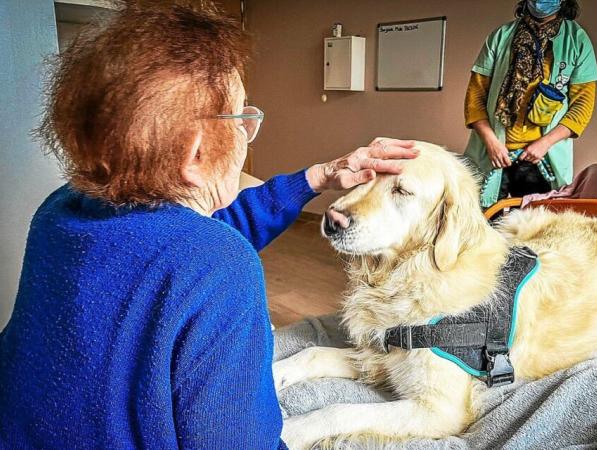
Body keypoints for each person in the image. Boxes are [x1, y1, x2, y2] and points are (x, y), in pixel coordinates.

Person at [0, 4, 417, 449]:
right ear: (196, 154)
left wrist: (317, 177)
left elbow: (188, 239)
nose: (247, 130)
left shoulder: (61, 209)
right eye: (242, 118)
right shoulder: (217, 266)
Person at [463, 0, 597, 208]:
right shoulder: (501, 36)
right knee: (481, 222)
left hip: (541, 159)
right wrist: (491, 141)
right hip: (494, 153)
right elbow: (476, 95)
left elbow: (582, 106)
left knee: (536, 229)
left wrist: (545, 144)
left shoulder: (577, 40)